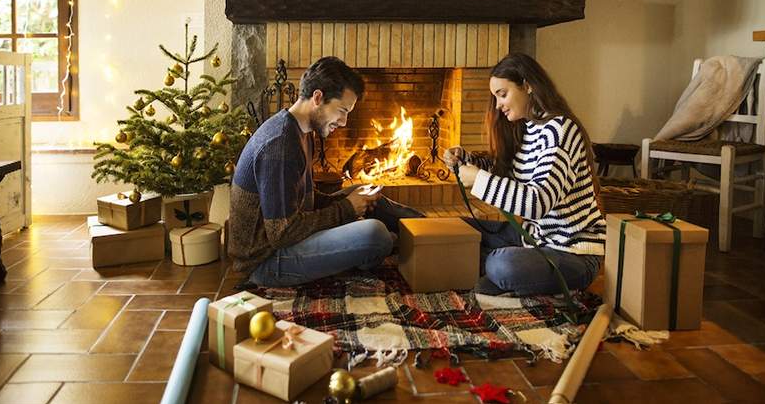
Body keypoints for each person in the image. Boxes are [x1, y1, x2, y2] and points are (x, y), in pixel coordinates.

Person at [229, 56, 420, 287]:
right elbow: (282, 233)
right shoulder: (280, 144)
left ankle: (429, 232)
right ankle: (384, 246)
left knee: (363, 191)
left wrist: (348, 200)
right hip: (266, 262)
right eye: (342, 110)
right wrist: (347, 208)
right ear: (318, 97)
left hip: (284, 243)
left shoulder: (300, 130)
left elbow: (303, 200)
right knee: (375, 234)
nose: (344, 122)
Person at [444, 54, 605, 296]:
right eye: (495, 97)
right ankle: (499, 274)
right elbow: (506, 172)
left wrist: (477, 180)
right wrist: (467, 160)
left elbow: (537, 203)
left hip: (573, 253)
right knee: (454, 232)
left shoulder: (560, 130)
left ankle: (495, 270)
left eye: (502, 94)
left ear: (528, 85)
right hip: (533, 241)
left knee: (501, 265)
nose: (497, 105)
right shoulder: (528, 129)